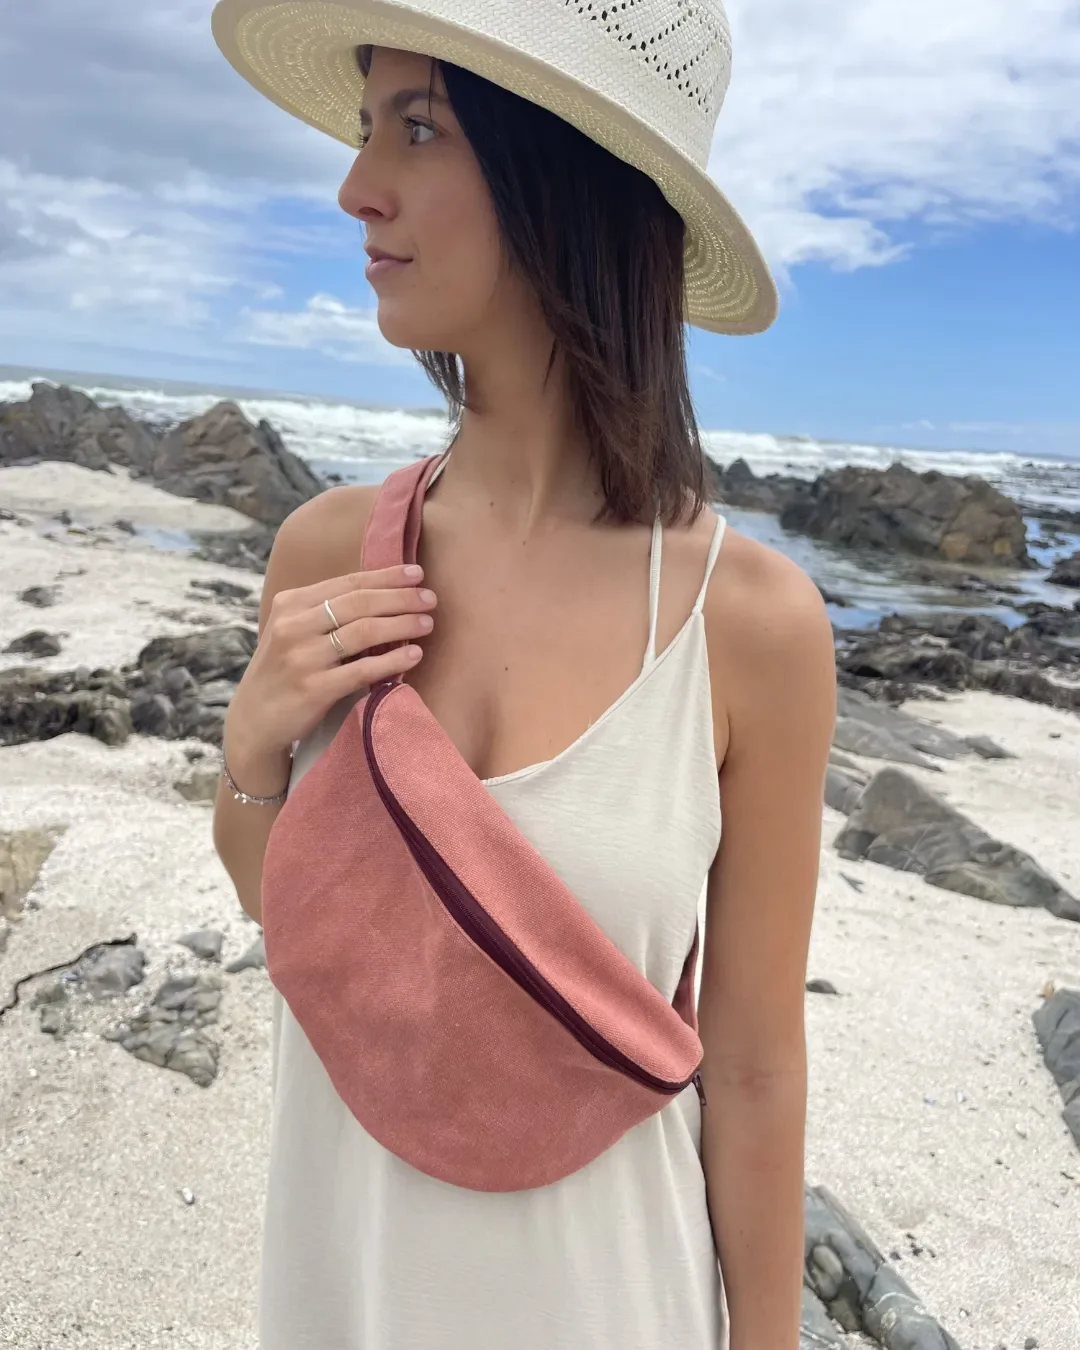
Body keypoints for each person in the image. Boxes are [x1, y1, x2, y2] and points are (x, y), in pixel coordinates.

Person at [210, 2, 836, 1347]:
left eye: (417, 125)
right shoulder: (326, 553)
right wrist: (252, 747)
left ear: (569, 176)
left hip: (613, 1298)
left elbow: (757, 1063)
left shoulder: (751, 624)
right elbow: (317, 936)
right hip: (344, 1292)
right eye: (372, 121)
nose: (354, 184)